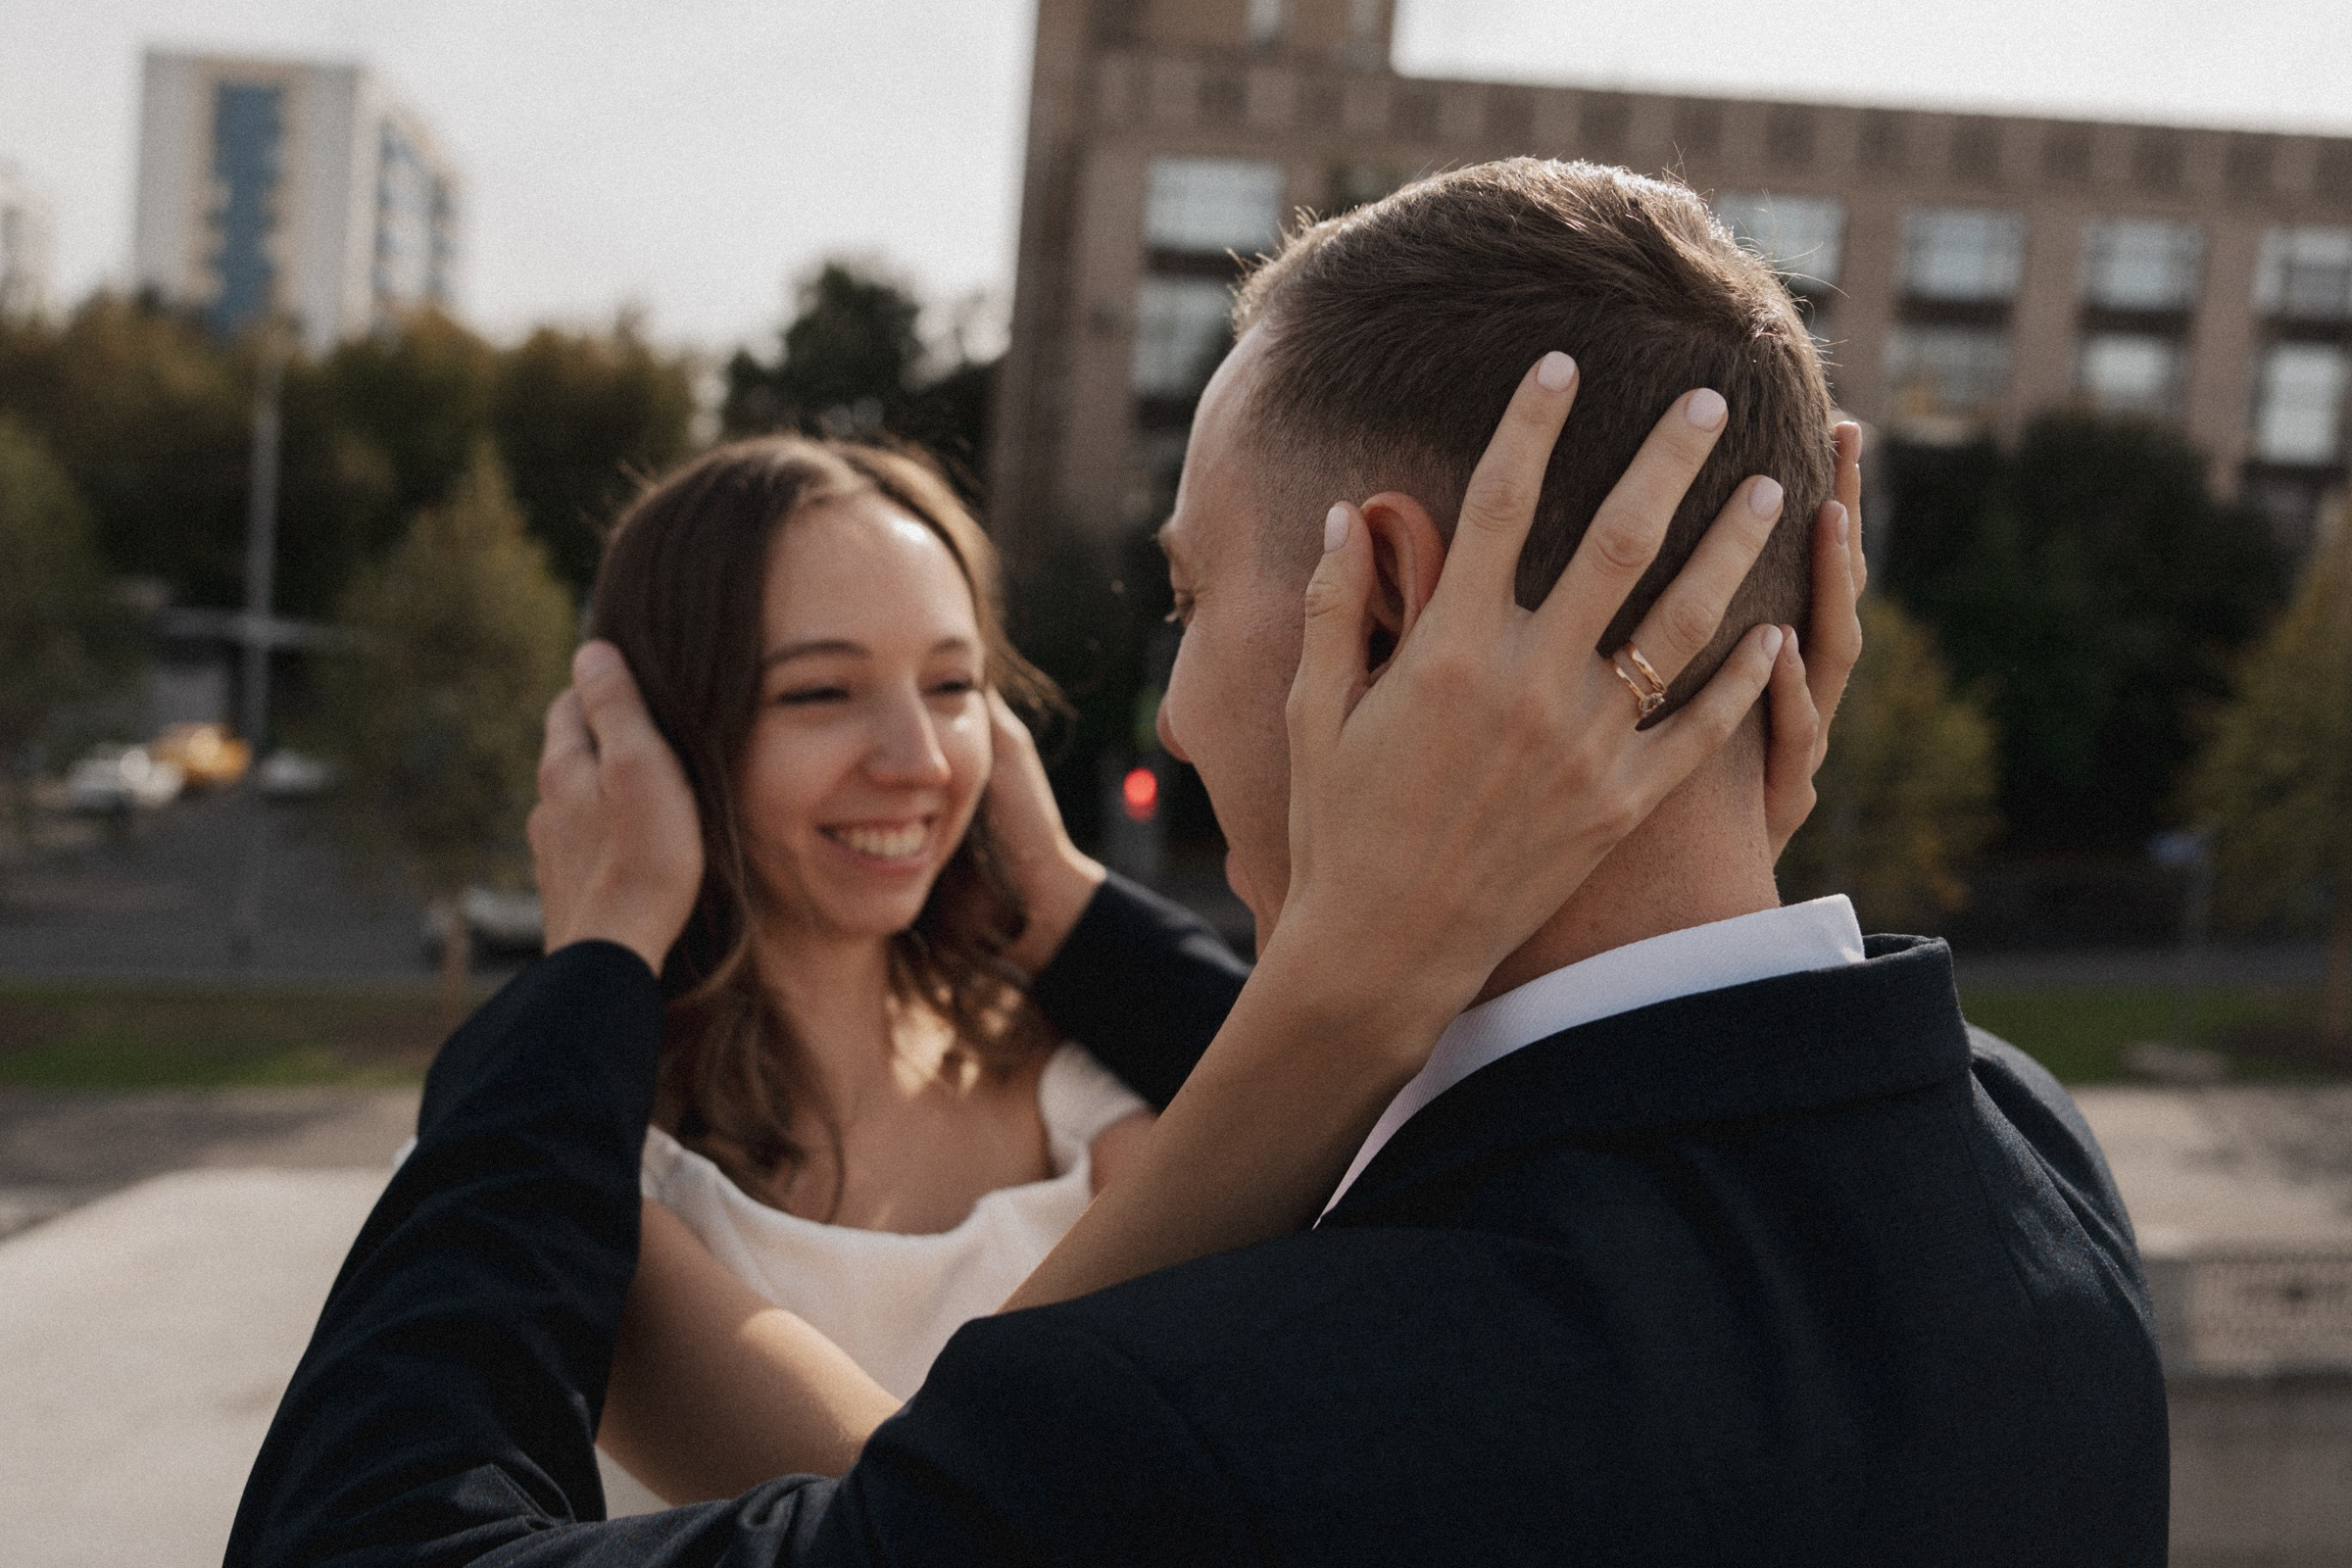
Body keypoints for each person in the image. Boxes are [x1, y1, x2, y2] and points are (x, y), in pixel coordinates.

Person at [229, 159, 2167, 1566]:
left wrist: (580, 968)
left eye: (1186, 597)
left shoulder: (1211, 1420)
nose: (1161, 712)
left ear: (1387, 604)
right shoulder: (2029, 1162)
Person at [581, 432, 1840, 1501]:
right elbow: (914, 1524)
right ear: (655, 739)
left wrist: (1060, 895)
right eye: (820, 695)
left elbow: (1403, 1194)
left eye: (954, 684)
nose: (915, 755)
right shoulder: (577, 1176)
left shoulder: (1071, 1071)